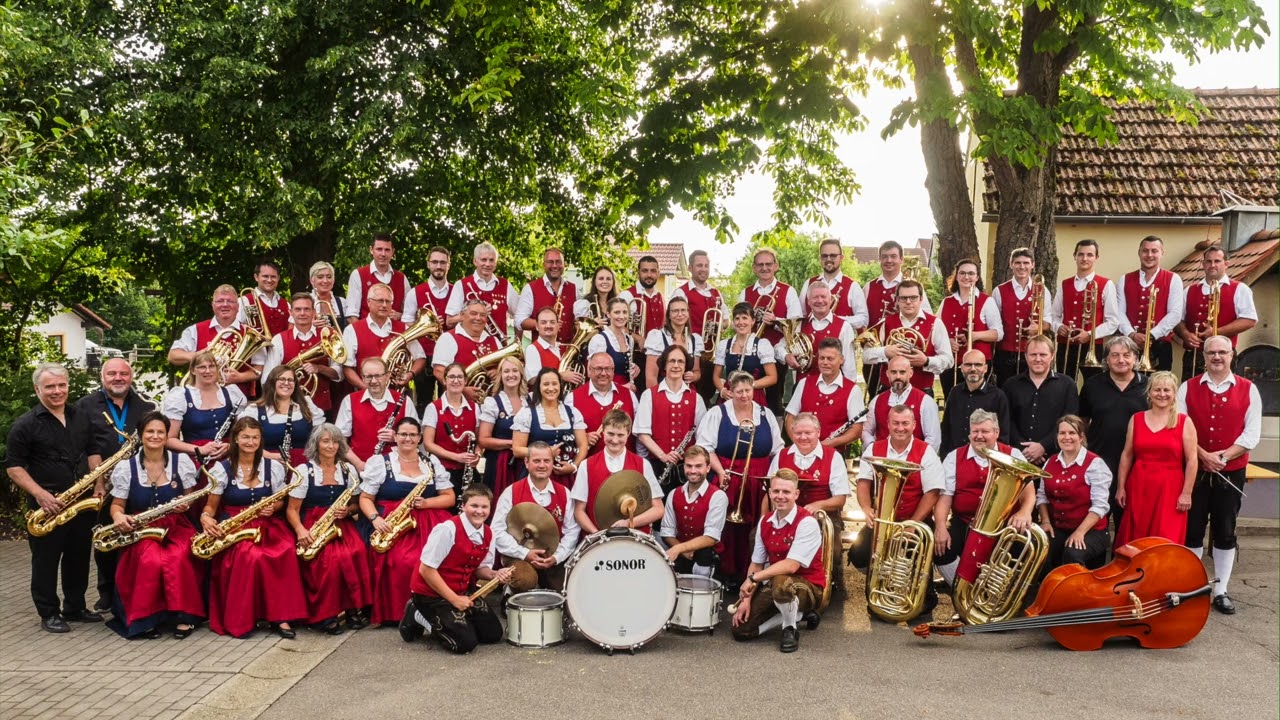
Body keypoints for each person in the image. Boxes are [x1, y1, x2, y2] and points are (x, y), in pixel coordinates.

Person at [6, 363, 97, 633]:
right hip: (47, 505)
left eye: (61, 385)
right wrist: (40, 494)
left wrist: (99, 481)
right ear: (37, 389)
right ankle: (48, 613)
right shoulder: (24, 425)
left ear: (67, 386)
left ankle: (75, 606)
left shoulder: (81, 416)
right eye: (50, 387)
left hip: (81, 501)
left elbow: (92, 450)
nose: (57, 391)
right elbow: (14, 467)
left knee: (78, 556)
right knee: (46, 560)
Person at [1177, 336, 1262, 615]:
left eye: (1222, 352)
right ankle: (1191, 588)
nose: (1217, 357)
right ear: (1203, 356)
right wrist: (1203, 455)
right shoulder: (1187, 388)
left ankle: (1222, 590)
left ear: (1232, 354)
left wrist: (1222, 457)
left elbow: (1251, 435)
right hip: (1194, 472)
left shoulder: (1249, 390)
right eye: (1211, 352)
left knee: (1226, 531)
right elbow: (1181, 429)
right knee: (1192, 531)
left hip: (1231, 472)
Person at [201, 417, 306, 638]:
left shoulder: (273, 467)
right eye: (246, 437)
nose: (250, 441)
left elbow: (280, 501)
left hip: (268, 524)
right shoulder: (222, 469)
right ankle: (243, 618)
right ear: (236, 439)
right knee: (250, 555)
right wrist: (206, 519)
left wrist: (274, 507)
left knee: (285, 549)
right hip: (235, 526)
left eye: (255, 437)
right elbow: (211, 507)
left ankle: (281, 617)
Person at [104, 411, 206, 639]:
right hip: (142, 527)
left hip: (176, 524)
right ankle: (145, 619)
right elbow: (117, 506)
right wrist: (119, 517)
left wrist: (184, 504)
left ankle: (183, 617)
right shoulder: (126, 467)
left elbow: (189, 499)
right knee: (151, 560)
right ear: (141, 434)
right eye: (150, 431)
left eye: (161, 431)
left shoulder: (181, 462)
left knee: (179, 557)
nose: (156, 436)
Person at [74, 357, 157, 613]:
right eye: (112, 373)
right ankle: (106, 592)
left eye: (123, 373)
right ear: (102, 377)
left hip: (136, 482)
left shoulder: (145, 406)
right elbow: (82, 447)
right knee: (103, 538)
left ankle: (130, 591)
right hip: (99, 484)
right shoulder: (83, 407)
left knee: (131, 537)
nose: (118, 378)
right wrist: (98, 479)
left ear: (130, 377)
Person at [358, 417, 454, 625]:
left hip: (429, 519)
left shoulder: (431, 462)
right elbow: (365, 498)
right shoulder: (380, 462)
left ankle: (440, 607)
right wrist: (375, 518)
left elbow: (449, 497)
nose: (408, 439)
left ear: (420, 438)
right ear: (395, 436)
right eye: (403, 434)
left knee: (443, 558)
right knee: (402, 561)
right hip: (392, 522)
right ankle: (403, 611)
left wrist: (426, 503)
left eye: (412, 435)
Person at [398, 485, 514, 654]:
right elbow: (426, 570)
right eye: (474, 506)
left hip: (461, 589)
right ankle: (416, 612)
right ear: (463, 506)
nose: (479, 511)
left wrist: (496, 574)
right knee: (464, 643)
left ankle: (454, 620)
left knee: (492, 635)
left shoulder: (489, 533)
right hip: (430, 594)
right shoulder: (447, 530)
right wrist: (454, 600)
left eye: (484, 507)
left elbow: (480, 569)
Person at [696, 371, 784, 578]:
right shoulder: (717, 413)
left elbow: (778, 449)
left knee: (757, 526)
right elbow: (705, 447)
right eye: (739, 391)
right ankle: (727, 572)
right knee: (727, 528)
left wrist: (771, 478)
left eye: (748, 390)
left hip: (761, 480)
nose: (744, 395)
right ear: (730, 392)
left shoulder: (765, 414)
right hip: (728, 476)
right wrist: (719, 471)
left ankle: (754, 573)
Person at [286, 423, 371, 634]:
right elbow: (292, 510)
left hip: (340, 523)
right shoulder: (304, 471)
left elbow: (356, 503)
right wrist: (300, 531)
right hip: (313, 524)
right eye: (325, 441)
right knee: (329, 561)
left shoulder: (348, 469)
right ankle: (324, 614)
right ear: (316, 444)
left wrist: (349, 511)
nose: (331, 446)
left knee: (357, 552)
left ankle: (352, 608)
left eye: (334, 441)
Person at [730, 470, 826, 653]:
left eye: (786, 492)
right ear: (770, 493)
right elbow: (757, 563)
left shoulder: (807, 522)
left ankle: (789, 628)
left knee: (782, 583)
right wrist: (747, 600)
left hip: (809, 586)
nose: (780, 496)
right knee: (741, 631)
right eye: (776, 491)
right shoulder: (765, 521)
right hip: (776, 583)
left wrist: (753, 579)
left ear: (796, 494)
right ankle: (798, 615)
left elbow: (791, 566)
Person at [933, 410, 1033, 585]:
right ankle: (964, 592)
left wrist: (1024, 512)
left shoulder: (1014, 454)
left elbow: (1029, 491)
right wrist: (940, 525)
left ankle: (1002, 594)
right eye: (975, 431)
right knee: (940, 549)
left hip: (1004, 526)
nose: (979, 436)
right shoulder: (954, 457)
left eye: (984, 431)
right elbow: (945, 497)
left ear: (996, 432)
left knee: (1025, 549)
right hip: (965, 522)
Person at [853, 405, 945, 569]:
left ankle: (925, 590)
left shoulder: (926, 452)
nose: (900, 428)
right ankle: (879, 580)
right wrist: (866, 509)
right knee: (858, 554)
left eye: (905, 423)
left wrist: (913, 523)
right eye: (895, 423)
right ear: (888, 424)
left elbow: (932, 492)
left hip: (916, 518)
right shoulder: (873, 449)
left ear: (914, 424)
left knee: (920, 560)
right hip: (882, 518)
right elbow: (863, 483)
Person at [1114, 372, 1197, 548]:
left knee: (1165, 538)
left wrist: (1186, 493)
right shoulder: (1136, 419)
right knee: (1136, 537)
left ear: (1174, 394)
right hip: (1139, 486)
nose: (1162, 394)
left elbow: (1192, 460)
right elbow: (1127, 455)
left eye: (1167, 390)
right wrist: (1121, 487)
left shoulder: (1184, 421)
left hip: (1170, 489)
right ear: (1149, 393)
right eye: (1157, 389)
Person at [490, 442, 581, 590]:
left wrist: (557, 557)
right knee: (525, 579)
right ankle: (511, 594)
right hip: (519, 556)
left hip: (552, 556)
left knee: (571, 584)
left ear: (552, 463)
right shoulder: (511, 492)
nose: (542, 465)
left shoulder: (564, 493)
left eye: (547, 461)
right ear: (527, 462)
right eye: (536, 461)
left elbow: (572, 530)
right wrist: (525, 553)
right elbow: (497, 531)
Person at [1079, 336, 1149, 524]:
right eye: (1115, 355)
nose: (1121, 360)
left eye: (1127, 355)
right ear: (1107, 360)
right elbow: (1083, 422)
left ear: (1135, 358)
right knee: (1097, 518)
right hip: (1101, 460)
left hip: (1137, 463)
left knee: (1128, 521)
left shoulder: (1148, 387)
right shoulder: (1092, 385)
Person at [1036, 415, 1113, 571]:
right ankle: (1046, 592)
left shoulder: (1095, 464)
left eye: (1072, 433)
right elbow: (1042, 496)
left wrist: (1080, 532)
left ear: (1081, 436)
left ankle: (1075, 594)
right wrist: (1045, 521)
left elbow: (1100, 506)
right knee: (1040, 549)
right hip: (1059, 527)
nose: (1066, 437)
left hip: (1092, 531)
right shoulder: (1050, 462)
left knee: (1072, 554)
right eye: (1062, 433)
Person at [572, 409, 665, 534]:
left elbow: (658, 509)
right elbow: (579, 511)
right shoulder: (586, 465)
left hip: (635, 539)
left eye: (620, 435)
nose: (615, 440)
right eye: (610, 434)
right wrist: (598, 535)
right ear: (603, 431)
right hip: (599, 540)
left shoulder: (643, 464)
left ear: (628, 433)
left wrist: (629, 523)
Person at [1175, 245, 1258, 381]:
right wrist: (1185, 334)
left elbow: (1250, 320)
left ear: (1226, 264)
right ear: (1203, 264)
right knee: (1190, 395)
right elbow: (1177, 319)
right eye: (1208, 261)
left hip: (1224, 355)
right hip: (1194, 354)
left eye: (1217, 261)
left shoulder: (1240, 289)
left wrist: (1216, 332)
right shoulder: (1189, 290)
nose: (1212, 265)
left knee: (1223, 394)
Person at [863, 241, 933, 396]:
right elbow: (863, 320)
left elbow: (927, 318)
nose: (889, 260)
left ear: (901, 259)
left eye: (893, 256)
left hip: (905, 353)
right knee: (875, 399)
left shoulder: (913, 287)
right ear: (879, 259)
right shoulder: (869, 286)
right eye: (885, 257)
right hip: (877, 353)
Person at [167, 284, 264, 396]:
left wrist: (240, 377)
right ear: (213, 305)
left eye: (230, 301)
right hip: (199, 398)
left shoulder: (252, 334)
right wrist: (198, 355)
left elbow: (260, 368)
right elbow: (173, 355)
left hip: (238, 399)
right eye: (220, 301)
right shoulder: (195, 330)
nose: (225, 305)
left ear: (238, 307)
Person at [862, 280, 953, 397]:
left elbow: (949, 360)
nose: (908, 302)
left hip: (922, 392)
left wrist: (926, 361)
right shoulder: (885, 322)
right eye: (903, 298)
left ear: (921, 299)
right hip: (889, 391)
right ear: (897, 300)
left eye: (913, 297)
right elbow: (865, 356)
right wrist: (885, 351)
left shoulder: (936, 323)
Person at [769, 414, 851, 544]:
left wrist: (818, 505)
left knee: (833, 552)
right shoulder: (781, 455)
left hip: (822, 517)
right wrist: (764, 520)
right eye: (798, 433)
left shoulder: (834, 457)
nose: (803, 437)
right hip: (785, 515)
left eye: (808, 433)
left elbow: (840, 499)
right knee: (755, 538)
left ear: (818, 433)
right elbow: (768, 491)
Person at [635, 345, 708, 489]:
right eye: (671, 361)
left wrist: (691, 459)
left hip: (687, 469)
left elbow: (703, 436)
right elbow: (643, 434)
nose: (676, 365)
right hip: (657, 466)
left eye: (680, 362)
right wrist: (663, 455)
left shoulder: (696, 398)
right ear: (664, 365)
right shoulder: (649, 395)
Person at [738, 248, 801, 414]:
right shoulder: (746, 292)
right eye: (760, 264)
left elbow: (795, 326)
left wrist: (775, 322)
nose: (764, 268)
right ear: (754, 268)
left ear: (776, 266)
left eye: (768, 264)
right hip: (750, 352)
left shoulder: (788, 291)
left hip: (776, 353)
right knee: (747, 396)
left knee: (775, 400)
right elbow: (738, 322)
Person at [262, 293, 342, 418]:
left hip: (321, 405)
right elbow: (267, 378)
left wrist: (319, 368)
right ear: (291, 312)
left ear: (313, 312)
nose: (302, 313)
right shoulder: (279, 339)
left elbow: (339, 375)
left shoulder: (328, 336)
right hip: (288, 407)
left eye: (307, 309)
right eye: (298, 309)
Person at [163, 350, 248, 468]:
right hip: (195, 461)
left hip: (229, 459)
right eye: (202, 367)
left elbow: (244, 432)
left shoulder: (231, 393)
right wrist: (200, 449)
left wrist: (230, 446)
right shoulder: (181, 397)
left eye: (211, 366)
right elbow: (169, 439)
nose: (208, 371)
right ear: (193, 370)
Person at [1004, 335, 1079, 465]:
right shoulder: (1011, 385)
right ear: (1026, 356)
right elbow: (1006, 420)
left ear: (1052, 355)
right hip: (1018, 456)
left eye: (1043, 355)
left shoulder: (1067, 384)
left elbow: (1069, 421)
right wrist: (1024, 450)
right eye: (1033, 355)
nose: (1038, 359)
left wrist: (1043, 446)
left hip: (1055, 458)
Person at [1051, 239, 1120, 382]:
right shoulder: (1065, 284)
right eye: (1081, 254)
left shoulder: (1106, 284)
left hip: (1093, 347)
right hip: (1066, 345)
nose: (1085, 258)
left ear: (1096, 258)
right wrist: (1058, 327)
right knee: (1064, 384)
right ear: (1075, 256)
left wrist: (1089, 334)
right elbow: (1053, 316)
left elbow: (1113, 321)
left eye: (1090, 255)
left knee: (1093, 387)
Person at [1116, 236, 1184, 373]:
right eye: (1145, 251)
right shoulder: (1124, 279)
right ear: (1139, 252)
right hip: (1130, 345)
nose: (1149, 255)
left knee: (1159, 389)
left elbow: (1175, 313)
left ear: (1162, 253)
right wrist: (1132, 334)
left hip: (1160, 345)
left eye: (1154, 251)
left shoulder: (1173, 279)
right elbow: (1119, 312)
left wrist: (1151, 335)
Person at [784, 338, 863, 453]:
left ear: (841, 360)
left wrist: (832, 443)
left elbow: (857, 430)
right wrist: (798, 443)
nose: (825, 362)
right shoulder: (804, 383)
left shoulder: (853, 390)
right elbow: (790, 418)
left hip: (833, 454)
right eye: (822, 358)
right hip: (802, 452)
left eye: (830, 359)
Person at [334, 357, 418, 465]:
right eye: (368, 377)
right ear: (362, 378)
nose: (373, 381)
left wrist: (397, 437)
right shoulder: (349, 400)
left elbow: (416, 438)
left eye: (378, 376)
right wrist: (358, 464)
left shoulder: (404, 401)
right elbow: (340, 440)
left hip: (397, 467)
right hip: (361, 466)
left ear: (387, 376)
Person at [659, 446, 729, 577]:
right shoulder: (674, 494)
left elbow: (711, 537)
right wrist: (682, 550)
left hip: (706, 559)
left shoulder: (718, 496)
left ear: (708, 468)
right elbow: (667, 532)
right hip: (680, 557)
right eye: (689, 466)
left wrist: (680, 548)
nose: (693, 471)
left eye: (698, 466)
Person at [341, 283, 425, 391]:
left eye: (388, 301)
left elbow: (420, 357)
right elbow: (347, 368)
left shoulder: (403, 328)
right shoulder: (351, 330)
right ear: (369, 302)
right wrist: (366, 389)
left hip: (397, 393)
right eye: (380, 300)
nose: (384, 305)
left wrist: (409, 374)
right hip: (364, 393)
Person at [937, 259, 1001, 398]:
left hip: (977, 363)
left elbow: (998, 333)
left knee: (978, 401)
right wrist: (947, 341)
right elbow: (935, 332)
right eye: (962, 273)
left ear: (977, 277)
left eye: (971, 273)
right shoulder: (946, 302)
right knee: (952, 400)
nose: (967, 277)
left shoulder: (987, 301)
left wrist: (974, 336)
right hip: (951, 362)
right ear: (957, 276)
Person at [512, 368, 588, 484]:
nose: (551, 388)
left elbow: (583, 445)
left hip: (566, 476)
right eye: (546, 384)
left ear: (560, 386)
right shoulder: (527, 413)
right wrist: (545, 453)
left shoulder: (572, 412)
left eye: (554, 384)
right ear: (539, 387)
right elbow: (517, 450)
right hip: (536, 475)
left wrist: (573, 466)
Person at [991, 247, 1052, 387]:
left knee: (1031, 388)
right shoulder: (999, 291)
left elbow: (1049, 320)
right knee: (1005, 388)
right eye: (1018, 263)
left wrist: (1039, 327)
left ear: (1033, 264)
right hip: (1005, 351)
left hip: (1033, 351)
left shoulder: (1042, 290)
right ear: (1011, 264)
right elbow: (994, 322)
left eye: (1026, 263)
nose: (1022, 267)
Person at [421, 363, 481, 502]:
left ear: (465, 381)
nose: (456, 380)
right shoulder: (433, 408)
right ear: (444, 380)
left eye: (460, 377)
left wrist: (477, 454)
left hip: (468, 470)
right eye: (452, 377)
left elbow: (479, 440)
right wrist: (456, 457)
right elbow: (428, 444)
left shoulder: (475, 407)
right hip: (442, 471)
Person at [240, 366, 323, 467]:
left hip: (303, 467)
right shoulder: (255, 410)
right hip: (267, 466)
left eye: (290, 380)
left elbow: (321, 439)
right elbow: (242, 443)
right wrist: (269, 455)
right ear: (272, 382)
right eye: (282, 379)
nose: (286, 383)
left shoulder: (307, 405)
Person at [671, 250, 726, 401]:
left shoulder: (715, 292)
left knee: (707, 394)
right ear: (690, 268)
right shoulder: (681, 292)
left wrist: (718, 326)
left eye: (706, 265)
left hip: (710, 355)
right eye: (699, 265)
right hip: (691, 353)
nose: (703, 269)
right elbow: (674, 319)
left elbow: (726, 320)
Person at [861, 356, 942, 453]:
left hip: (914, 462)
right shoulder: (876, 401)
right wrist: (873, 448)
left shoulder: (926, 401)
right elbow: (866, 431)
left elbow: (933, 439)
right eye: (893, 372)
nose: (898, 376)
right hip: (881, 460)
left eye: (902, 372)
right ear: (887, 374)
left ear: (910, 373)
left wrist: (919, 459)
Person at [567, 352, 639, 456]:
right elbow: (565, 435)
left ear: (613, 371)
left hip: (625, 467)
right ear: (589, 370)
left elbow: (637, 433)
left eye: (608, 369)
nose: (604, 373)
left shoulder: (630, 395)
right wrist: (582, 437)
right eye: (599, 369)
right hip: (589, 465)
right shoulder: (571, 398)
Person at [940, 350, 1010, 456]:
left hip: (985, 458)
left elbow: (1003, 434)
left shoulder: (998, 396)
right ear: (962, 368)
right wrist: (945, 456)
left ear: (985, 368)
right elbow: (946, 428)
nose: (973, 369)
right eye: (968, 365)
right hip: (955, 457)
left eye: (978, 365)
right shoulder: (955, 392)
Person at [433, 298, 502, 405]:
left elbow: (505, 367)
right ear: (462, 315)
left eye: (483, 315)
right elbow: (439, 371)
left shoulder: (494, 340)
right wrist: (462, 389)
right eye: (473, 314)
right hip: (456, 404)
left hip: (491, 404)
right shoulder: (448, 338)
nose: (478, 318)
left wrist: (499, 372)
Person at [786, 284, 858, 386]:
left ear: (830, 300)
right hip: (802, 386)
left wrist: (848, 389)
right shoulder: (798, 324)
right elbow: (783, 346)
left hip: (832, 387)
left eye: (823, 297)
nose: (820, 301)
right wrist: (785, 356)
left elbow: (849, 365)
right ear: (809, 302)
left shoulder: (844, 327)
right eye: (815, 297)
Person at [478, 355, 527, 500]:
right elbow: (483, 440)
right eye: (506, 371)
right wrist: (514, 443)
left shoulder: (530, 400)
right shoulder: (493, 403)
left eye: (514, 371)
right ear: (500, 375)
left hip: (525, 463)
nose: (511, 375)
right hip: (500, 464)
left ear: (521, 374)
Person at [446, 242, 519, 337]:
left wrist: (518, 340)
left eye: (491, 260)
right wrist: (472, 313)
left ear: (496, 263)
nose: (487, 264)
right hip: (468, 346)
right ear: (475, 261)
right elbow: (449, 322)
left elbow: (520, 315)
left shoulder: (505, 285)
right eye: (483, 260)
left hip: (499, 346)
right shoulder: (461, 285)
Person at [712, 301, 778, 406]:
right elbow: (716, 376)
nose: (740, 322)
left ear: (753, 321)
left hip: (754, 397)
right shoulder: (724, 345)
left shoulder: (762, 345)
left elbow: (772, 377)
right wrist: (723, 391)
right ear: (733, 322)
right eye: (737, 318)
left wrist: (749, 385)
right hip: (730, 396)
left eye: (744, 318)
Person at [411, 246, 454, 405]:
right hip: (424, 353)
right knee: (423, 402)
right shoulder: (415, 292)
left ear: (448, 265)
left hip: (451, 355)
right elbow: (407, 323)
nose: (439, 266)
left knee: (450, 399)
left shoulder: (457, 290)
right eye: (435, 262)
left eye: (443, 262)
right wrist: (425, 325)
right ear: (428, 264)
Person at [344, 233, 416, 323]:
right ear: (371, 250)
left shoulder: (402, 278)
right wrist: (362, 335)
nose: (383, 254)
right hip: (367, 334)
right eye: (379, 249)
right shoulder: (358, 275)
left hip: (396, 334)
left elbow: (411, 314)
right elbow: (351, 316)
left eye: (387, 250)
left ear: (392, 252)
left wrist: (399, 315)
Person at [800, 238, 868, 327]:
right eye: (824, 256)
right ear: (820, 258)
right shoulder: (808, 283)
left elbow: (863, 319)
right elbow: (800, 315)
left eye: (833, 256)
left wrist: (834, 320)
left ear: (841, 258)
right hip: (813, 339)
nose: (828, 259)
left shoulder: (853, 286)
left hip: (841, 340)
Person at [516, 247, 578, 345]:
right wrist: (545, 323)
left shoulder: (574, 289)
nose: (554, 265)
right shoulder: (530, 288)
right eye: (550, 262)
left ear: (564, 264)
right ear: (543, 265)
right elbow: (519, 321)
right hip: (541, 353)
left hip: (569, 352)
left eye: (558, 262)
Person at [643, 295, 704, 389]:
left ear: (688, 313)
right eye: (675, 311)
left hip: (687, 391)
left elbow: (696, 371)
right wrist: (656, 400)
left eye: (683, 310)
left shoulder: (694, 339)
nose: (680, 314)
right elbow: (651, 377)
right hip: (663, 391)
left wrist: (694, 376)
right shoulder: (657, 337)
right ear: (669, 315)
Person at [586, 297, 641, 393]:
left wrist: (635, 368)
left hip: (627, 391)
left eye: (625, 312)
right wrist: (622, 387)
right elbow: (592, 374)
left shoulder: (629, 339)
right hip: (606, 392)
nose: (621, 316)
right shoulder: (600, 340)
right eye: (617, 312)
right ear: (608, 314)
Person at [619, 255, 665, 363]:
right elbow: (614, 325)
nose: (649, 275)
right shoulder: (627, 295)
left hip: (657, 355)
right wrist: (637, 338)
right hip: (633, 355)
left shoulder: (660, 297)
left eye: (653, 271)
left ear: (658, 273)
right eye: (645, 271)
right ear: (638, 273)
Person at [524, 307, 583, 387]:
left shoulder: (565, 348)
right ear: (537, 326)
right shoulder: (532, 349)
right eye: (543, 322)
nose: (548, 326)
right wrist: (561, 376)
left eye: (552, 322)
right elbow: (533, 380)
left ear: (558, 325)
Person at [238, 259, 290, 337]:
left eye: (273, 277)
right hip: (256, 349)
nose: (269, 280)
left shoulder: (287, 305)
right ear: (256, 277)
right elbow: (235, 329)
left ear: (278, 278)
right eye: (265, 276)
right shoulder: (244, 301)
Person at [307, 260, 348, 332]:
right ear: (312, 280)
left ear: (333, 280)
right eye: (320, 277)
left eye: (329, 277)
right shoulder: (304, 301)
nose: (325, 281)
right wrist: (309, 326)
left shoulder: (342, 302)